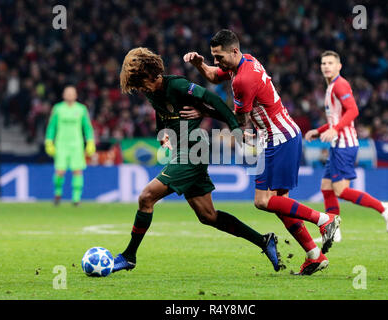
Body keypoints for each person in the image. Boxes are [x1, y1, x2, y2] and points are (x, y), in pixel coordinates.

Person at [112, 47, 283, 273]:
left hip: (193, 152)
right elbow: (160, 111)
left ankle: (129, 256)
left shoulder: (177, 85)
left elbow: (213, 99)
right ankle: (264, 241)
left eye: (141, 81)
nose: (141, 88)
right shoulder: (151, 91)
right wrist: (162, 132)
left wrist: (235, 128)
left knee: (146, 197)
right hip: (182, 150)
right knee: (208, 216)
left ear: (151, 73)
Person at [183, 29, 340, 275]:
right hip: (281, 136)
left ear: (234, 51)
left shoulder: (242, 80)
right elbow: (214, 76)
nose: (216, 61)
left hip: (278, 139)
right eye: (213, 56)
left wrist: (205, 111)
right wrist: (200, 65)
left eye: (219, 57)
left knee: (262, 201)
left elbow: (241, 120)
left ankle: (324, 220)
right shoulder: (246, 61)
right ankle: (314, 255)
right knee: (281, 205)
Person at [304, 50, 388, 241]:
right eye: (323, 63)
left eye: (330, 63)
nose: (326, 66)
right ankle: (334, 231)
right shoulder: (331, 87)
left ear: (339, 66)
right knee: (326, 187)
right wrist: (319, 131)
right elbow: (335, 118)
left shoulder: (340, 85)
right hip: (338, 144)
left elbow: (353, 110)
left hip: (345, 145)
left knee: (340, 191)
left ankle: (384, 207)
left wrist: (335, 130)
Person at [45, 86, 96, 206]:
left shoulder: (81, 109)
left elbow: (87, 127)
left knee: (77, 171)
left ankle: (76, 199)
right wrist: (49, 141)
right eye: (67, 93)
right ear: (63, 95)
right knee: (59, 171)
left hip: (76, 144)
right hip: (61, 144)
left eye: (71, 93)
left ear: (75, 95)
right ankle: (57, 194)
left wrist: (90, 141)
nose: (69, 95)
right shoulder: (58, 108)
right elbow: (52, 126)